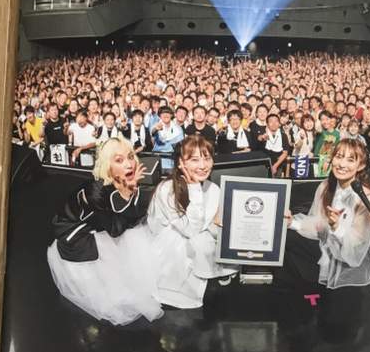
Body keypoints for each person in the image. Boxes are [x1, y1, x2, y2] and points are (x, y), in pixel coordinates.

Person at [47, 137, 163, 325]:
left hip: (101, 227)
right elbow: (116, 230)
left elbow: (132, 216)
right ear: (107, 165)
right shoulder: (96, 192)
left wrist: (130, 192)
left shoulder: (124, 181)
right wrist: (127, 194)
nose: (129, 164)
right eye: (119, 160)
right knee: (130, 237)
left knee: (137, 232)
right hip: (77, 238)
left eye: (130, 157)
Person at [284, 138, 370, 300]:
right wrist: (291, 222)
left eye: (350, 160)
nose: (342, 164)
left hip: (349, 271)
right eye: (339, 157)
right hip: (326, 259)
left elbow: (356, 248)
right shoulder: (325, 187)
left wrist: (337, 228)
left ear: (361, 165)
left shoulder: (366, 197)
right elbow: (317, 224)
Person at [147, 136, 237, 308]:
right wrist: (194, 188)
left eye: (207, 158)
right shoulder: (167, 189)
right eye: (194, 160)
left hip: (199, 245)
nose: (203, 166)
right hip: (169, 248)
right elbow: (191, 230)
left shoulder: (213, 188)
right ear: (181, 162)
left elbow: (212, 228)